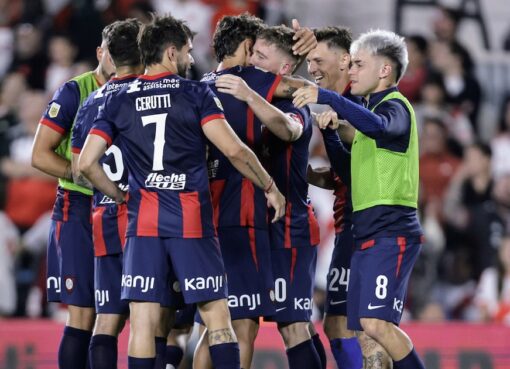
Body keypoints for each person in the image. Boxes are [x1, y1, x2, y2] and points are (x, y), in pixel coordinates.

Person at [78, 14, 285, 369]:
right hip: (191, 222)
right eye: (188, 52)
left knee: (143, 324)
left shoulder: (118, 99)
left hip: (143, 224)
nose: (191, 59)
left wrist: (118, 194)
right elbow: (235, 150)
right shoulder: (195, 94)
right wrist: (269, 186)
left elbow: (85, 164)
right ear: (171, 53)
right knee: (219, 319)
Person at [293, 29, 426, 369]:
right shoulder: (369, 115)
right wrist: (331, 133)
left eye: (360, 64)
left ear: (384, 70)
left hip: (390, 232)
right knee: (364, 328)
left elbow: (382, 127)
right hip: (367, 235)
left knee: (377, 326)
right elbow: (350, 175)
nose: (352, 72)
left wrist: (329, 97)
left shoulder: (395, 107)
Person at [194, 13, 316, 369]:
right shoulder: (249, 80)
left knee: (214, 322)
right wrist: (317, 80)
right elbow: (295, 93)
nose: (257, 63)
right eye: (256, 54)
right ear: (247, 48)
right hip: (245, 213)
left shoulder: (200, 83)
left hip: (202, 216)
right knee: (246, 324)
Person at [223, 25, 324, 369]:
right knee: (233, 322)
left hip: (289, 229)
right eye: (251, 53)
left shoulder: (290, 102)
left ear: (282, 70)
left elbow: (289, 129)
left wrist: (250, 94)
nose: (251, 61)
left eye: (261, 57)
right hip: (253, 227)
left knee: (292, 325)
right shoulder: (243, 102)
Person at [31, 22, 115, 369]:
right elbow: (40, 155)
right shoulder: (73, 91)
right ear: (100, 53)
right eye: (115, 53)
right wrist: (80, 173)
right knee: (83, 313)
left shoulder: (135, 89)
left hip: (119, 209)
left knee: (117, 314)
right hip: (78, 207)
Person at [70, 19, 144, 369]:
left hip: (104, 219)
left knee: (107, 319)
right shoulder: (146, 96)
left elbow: (80, 166)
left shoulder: (91, 101)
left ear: (110, 56)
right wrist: (125, 195)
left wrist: (112, 194)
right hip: (144, 219)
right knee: (151, 320)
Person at [305, 26, 365, 369]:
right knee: (339, 324)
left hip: (363, 225)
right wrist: (308, 176)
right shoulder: (337, 102)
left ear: (344, 60)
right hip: (348, 222)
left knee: (359, 327)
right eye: (308, 60)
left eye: (317, 59)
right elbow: (349, 173)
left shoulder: (356, 104)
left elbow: (358, 152)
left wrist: (332, 128)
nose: (311, 67)